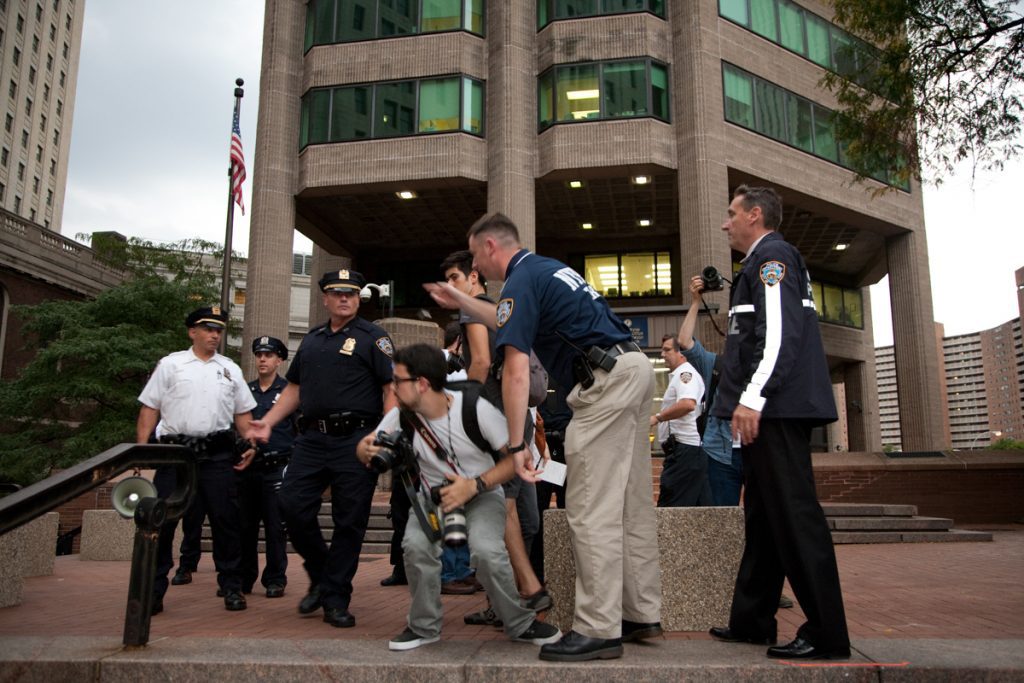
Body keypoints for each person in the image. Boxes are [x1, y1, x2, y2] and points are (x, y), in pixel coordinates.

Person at [425, 212, 662, 662]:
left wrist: (516, 445)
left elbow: (515, 370)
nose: (477, 267)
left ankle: (598, 629)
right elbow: (502, 318)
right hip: (630, 368)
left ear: (491, 248)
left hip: (603, 382)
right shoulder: (545, 269)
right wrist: (458, 297)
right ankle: (639, 613)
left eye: (476, 256)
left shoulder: (519, 279)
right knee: (631, 505)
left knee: (590, 508)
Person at [708, 185, 849, 660]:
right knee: (765, 519)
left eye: (732, 214)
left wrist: (752, 399)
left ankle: (828, 634)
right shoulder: (757, 265)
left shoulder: (774, 259)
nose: (726, 223)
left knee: (794, 518)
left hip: (775, 411)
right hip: (768, 410)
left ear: (755, 214)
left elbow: (779, 336)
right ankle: (751, 621)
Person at [355, 344, 561, 651]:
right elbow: (366, 446)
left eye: (399, 381)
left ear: (422, 383)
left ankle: (520, 623)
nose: (393, 388)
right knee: (415, 547)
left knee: (488, 551)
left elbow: (514, 461)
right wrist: (365, 449)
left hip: (481, 494)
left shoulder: (474, 408)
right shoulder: (403, 416)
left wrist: (474, 484)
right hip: (432, 499)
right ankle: (423, 627)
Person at [247, 269, 396, 629]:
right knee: (290, 505)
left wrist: (383, 435)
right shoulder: (312, 340)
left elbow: (391, 389)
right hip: (311, 439)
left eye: (351, 293)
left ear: (359, 298)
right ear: (325, 298)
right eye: (337, 293)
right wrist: (268, 420)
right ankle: (322, 574)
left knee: (350, 521)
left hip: (356, 440)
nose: (345, 298)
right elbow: (294, 389)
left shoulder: (374, 338)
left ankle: (335, 598)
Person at [440, 249, 548, 616]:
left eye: (455, 278)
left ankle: (516, 597)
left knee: (501, 509)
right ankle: (516, 595)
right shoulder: (503, 309)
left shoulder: (472, 308)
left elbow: (482, 361)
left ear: (474, 277)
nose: (450, 286)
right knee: (524, 515)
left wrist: (465, 413)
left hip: (494, 421)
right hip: (519, 421)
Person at [136, 305, 257, 614]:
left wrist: (250, 444)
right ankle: (153, 591)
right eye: (208, 329)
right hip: (176, 455)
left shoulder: (230, 368)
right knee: (162, 524)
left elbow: (243, 413)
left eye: (218, 330)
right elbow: (149, 408)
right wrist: (140, 450)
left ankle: (231, 587)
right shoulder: (171, 365)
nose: (215, 334)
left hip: (216, 455)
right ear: (192, 332)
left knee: (225, 523)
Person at [677, 275, 743, 506]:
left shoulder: (767, 363)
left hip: (759, 451)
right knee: (721, 517)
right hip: (719, 452)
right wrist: (696, 301)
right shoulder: (715, 364)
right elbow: (684, 341)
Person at [239, 335, 294, 598]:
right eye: (259, 354)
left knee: (275, 527)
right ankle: (244, 577)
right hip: (249, 468)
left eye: (269, 355)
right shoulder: (245, 392)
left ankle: (275, 578)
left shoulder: (288, 393)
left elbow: (299, 430)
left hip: (277, 467)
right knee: (246, 526)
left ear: (279, 360)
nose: (263, 359)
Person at [651, 334, 710, 507]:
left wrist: (657, 418)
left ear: (681, 353)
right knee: (700, 513)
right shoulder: (679, 375)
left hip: (684, 452)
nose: (662, 354)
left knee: (670, 509)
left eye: (667, 350)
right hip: (685, 452)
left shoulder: (686, 374)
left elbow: (687, 404)